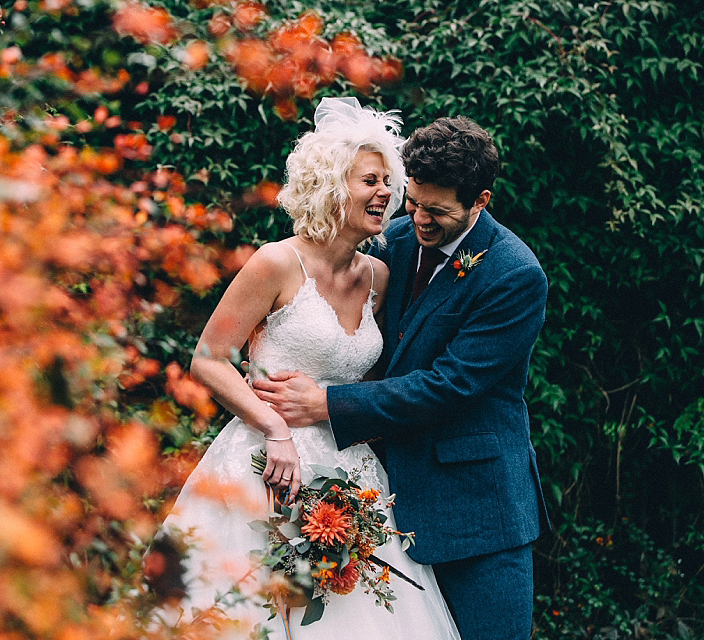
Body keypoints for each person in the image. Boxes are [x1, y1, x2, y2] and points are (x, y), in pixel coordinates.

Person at [159, 97, 461, 639]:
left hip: (352, 478)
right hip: (265, 469)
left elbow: (371, 386)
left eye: (388, 181)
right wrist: (273, 427)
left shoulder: (380, 278)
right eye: (370, 180)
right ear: (329, 186)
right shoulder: (276, 262)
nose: (386, 193)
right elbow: (207, 359)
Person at [252, 116, 549, 639]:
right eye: (412, 201)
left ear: (480, 201)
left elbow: (449, 384)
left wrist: (328, 403)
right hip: (383, 500)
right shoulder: (396, 239)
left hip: (477, 514)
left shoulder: (515, 275)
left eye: (437, 211)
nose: (419, 220)